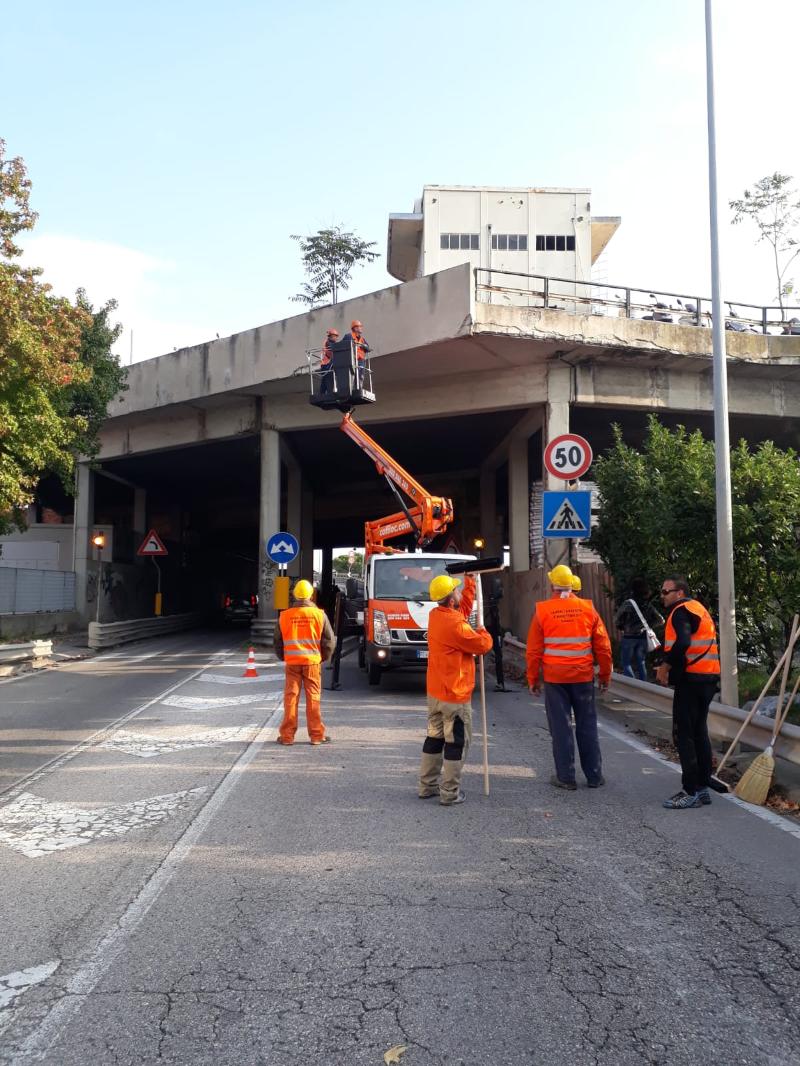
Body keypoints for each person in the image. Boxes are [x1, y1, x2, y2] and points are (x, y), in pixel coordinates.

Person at [526, 563, 612, 790]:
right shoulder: (588, 608)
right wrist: (605, 675)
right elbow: (603, 647)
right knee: (587, 726)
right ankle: (594, 776)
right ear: (572, 584)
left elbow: (534, 651)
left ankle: (566, 778)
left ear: (551, 583)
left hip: (555, 680)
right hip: (583, 677)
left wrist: (533, 679)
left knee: (561, 728)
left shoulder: (542, 611)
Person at [419, 572, 493, 806]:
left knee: (434, 739)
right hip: (454, 695)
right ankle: (449, 792)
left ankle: (427, 786)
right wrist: (483, 630)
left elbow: (462, 610)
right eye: (457, 590)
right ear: (451, 600)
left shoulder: (436, 615)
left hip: (436, 693)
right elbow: (482, 645)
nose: (459, 592)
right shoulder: (455, 625)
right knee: (456, 743)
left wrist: (471, 583)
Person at [655, 576, 720, 809]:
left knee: (684, 735)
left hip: (691, 681)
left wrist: (665, 667)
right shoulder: (698, 608)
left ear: (679, 592)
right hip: (708, 678)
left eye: (665, 591)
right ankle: (702, 788)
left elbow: (682, 643)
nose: (662, 595)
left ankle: (690, 790)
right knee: (699, 732)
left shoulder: (680, 611)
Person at [273, 579, 335, 745]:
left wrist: (283, 657)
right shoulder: (320, 615)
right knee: (313, 698)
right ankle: (316, 736)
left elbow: (277, 641)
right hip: (312, 663)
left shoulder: (284, 615)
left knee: (290, 698)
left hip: (292, 663)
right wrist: (323, 658)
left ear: (294, 595)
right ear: (311, 595)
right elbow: (329, 641)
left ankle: (287, 737)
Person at [615, 578, 664, 682]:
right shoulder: (648, 605)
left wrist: (621, 626)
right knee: (641, 663)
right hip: (643, 638)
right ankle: (643, 687)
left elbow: (617, 619)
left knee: (626, 663)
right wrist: (648, 626)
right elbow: (661, 620)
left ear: (632, 590)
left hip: (629, 637)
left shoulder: (628, 603)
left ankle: (633, 686)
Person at [485, 576, 507, 692]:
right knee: (497, 654)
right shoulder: (490, 603)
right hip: (491, 630)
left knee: (498, 655)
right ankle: (500, 682)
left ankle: (500, 682)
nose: (502, 591)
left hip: (495, 629)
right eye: (500, 589)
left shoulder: (494, 603)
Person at [350, 319, 370, 386]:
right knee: (353, 376)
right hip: (352, 360)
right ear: (355, 328)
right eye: (359, 326)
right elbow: (343, 345)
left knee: (360, 377)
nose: (361, 328)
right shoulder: (349, 336)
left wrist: (363, 346)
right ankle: (354, 389)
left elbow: (368, 348)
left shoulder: (362, 339)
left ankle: (359, 389)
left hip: (361, 360)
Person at [319, 327, 339, 396]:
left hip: (325, 365)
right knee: (329, 380)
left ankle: (321, 394)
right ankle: (329, 394)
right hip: (327, 365)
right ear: (331, 336)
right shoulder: (328, 343)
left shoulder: (330, 342)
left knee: (324, 381)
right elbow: (332, 350)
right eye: (335, 336)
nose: (336, 338)